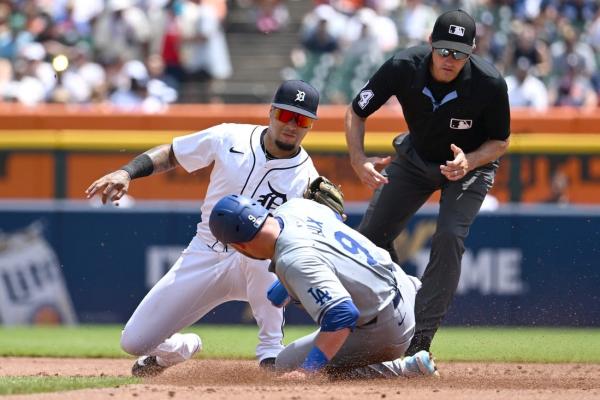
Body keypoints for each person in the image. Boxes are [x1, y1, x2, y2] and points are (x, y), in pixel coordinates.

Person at [85, 80, 321, 376]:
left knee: (267, 243)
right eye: (287, 115)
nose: (293, 125)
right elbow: (173, 153)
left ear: (311, 125)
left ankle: (270, 351)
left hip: (257, 263)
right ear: (271, 113)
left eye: (303, 120)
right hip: (205, 252)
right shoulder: (229, 136)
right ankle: (178, 350)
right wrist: (127, 172)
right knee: (133, 341)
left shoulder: (308, 178)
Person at [344, 9, 510, 356]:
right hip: (416, 156)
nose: (450, 59)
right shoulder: (402, 67)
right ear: (430, 42)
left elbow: (500, 142)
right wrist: (358, 159)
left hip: (469, 166)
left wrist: (471, 160)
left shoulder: (489, 83)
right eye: (444, 50)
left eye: (460, 53)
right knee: (369, 239)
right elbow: (356, 111)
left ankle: (419, 342)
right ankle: (393, 312)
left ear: (473, 50)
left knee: (449, 236)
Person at [208, 193, 439, 379]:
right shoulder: (296, 207)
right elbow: (334, 222)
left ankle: (404, 370)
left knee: (285, 365)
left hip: (387, 329)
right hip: (403, 287)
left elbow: (342, 316)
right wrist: (289, 283)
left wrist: (307, 372)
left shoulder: (294, 261)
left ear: (240, 247)